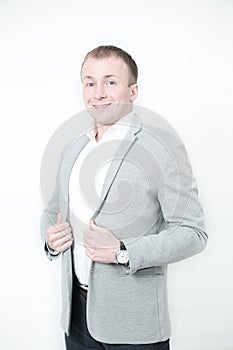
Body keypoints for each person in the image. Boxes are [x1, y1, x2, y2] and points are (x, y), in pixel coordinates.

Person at [40, 45, 208, 349]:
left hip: (135, 326)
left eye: (110, 82)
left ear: (133, 91)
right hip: (76, 319)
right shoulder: (74, 147)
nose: (98, 92)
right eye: (90, 83)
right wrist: (51, 238)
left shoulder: (162, 147)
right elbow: (53, 213)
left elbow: (193, 233)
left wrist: (122, 251)